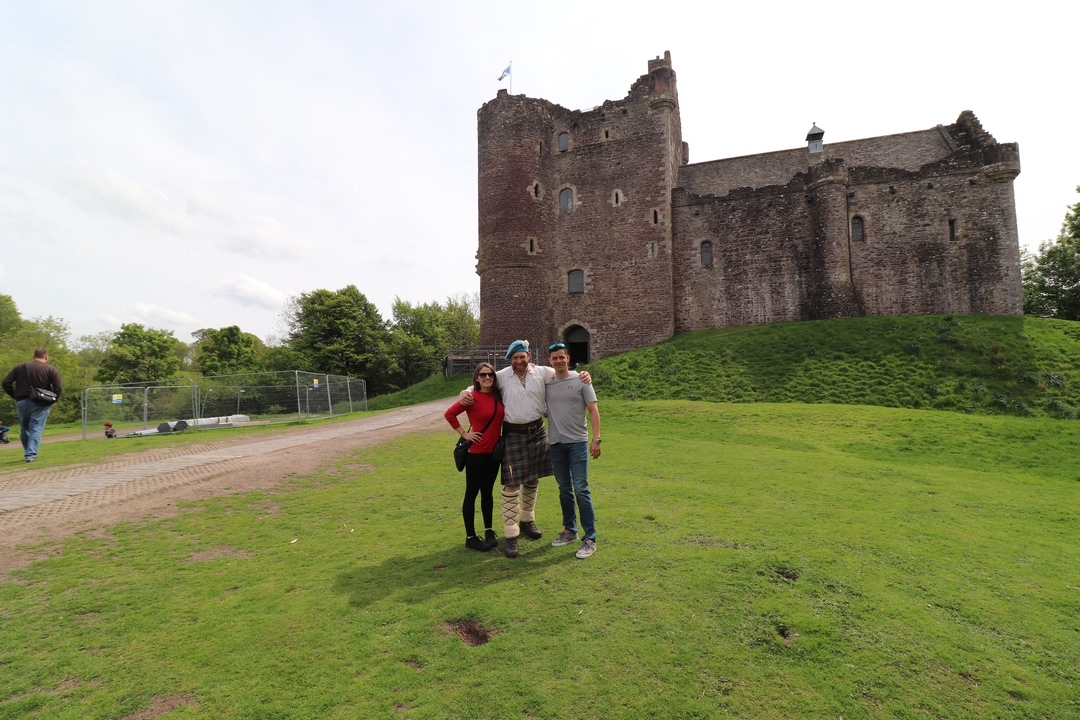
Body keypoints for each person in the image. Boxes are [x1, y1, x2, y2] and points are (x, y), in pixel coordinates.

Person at [460, 340, 591, 558]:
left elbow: (564, 372)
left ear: (529, 356)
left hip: (537, 431)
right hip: (513, 433)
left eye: (522, 356)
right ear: (510, 360)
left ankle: (527, 520)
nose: (519, 361)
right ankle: (511, 534)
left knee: (532, 479)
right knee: (511, 484)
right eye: (515, 358)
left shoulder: (542, 372)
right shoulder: (502, 376)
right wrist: (464, 392)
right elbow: (480, 384)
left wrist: (584, 375)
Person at [544, 343, 602, 559]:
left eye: (562, 357)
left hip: (577, 443)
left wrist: (596, 439)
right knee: (564, 489)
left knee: (581, 489)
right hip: (556, 444)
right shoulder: (548, 384)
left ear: (568, 358)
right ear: (550, 361)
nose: (559, 361)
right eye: (555, 358)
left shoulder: (581, 380)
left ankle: (590, 538)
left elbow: (593, 409)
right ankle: (570, 530)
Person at [444, 363, 505, 552]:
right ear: (477, 378)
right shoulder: (471, 397)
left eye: (491, 375)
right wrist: (464, 434)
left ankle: (488, 531)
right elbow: (449, 414)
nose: (487, 378)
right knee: (472, 493)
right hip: (476, 454)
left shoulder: (498, 395)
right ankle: (470, 537)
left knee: (488, 492)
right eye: (483, 375)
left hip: (493, 453)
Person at [2, 349, 63, 463]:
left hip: (22, 401)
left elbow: (5, 383)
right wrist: (52, 400)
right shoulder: (51, 369)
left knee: (25, 428)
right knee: (36, 428)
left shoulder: (20, 367)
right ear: (46, 357)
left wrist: (14, 395)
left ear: (33, 356)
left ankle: (29, 452)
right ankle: (30, 455)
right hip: (41, 402)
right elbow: (58, 388)